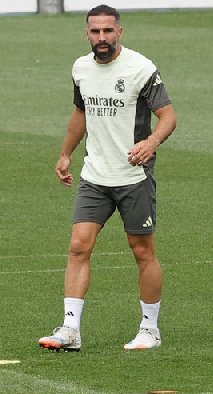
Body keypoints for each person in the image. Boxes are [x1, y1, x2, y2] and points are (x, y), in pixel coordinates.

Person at [38, 4, 176, 352]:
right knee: (78, 246)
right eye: (96, 32)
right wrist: (66, 153)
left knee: (142, 251)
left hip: (133, 176)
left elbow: (168, 116)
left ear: (120, 32)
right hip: (94, 176)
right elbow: (81, 111)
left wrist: (151, 142)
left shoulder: (141, 69)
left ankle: (150, 329)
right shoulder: (81, 68)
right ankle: (70, 330)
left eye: (108, 31)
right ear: (87, 33)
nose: (102, 37)